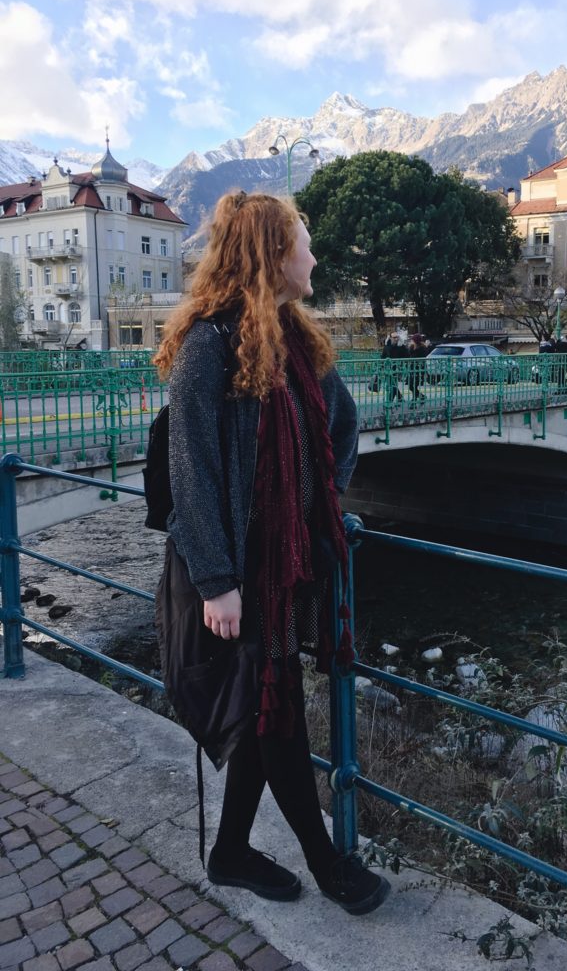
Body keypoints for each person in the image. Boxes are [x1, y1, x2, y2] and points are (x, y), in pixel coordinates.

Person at [153, 191, 389, 916]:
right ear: (273, 256)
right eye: (305, 245)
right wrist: (218, 581)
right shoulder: (210, 345)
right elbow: (188, 469)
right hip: (233, 571)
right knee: (275, 710)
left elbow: (341, 426)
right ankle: (330, 868)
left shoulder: (295, 341)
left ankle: (230, 851)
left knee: (268, 707)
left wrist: (321, 500)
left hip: (282, 568)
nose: (315, 258)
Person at [407, 333, 428, 403]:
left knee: (414, 385)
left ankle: (414, 399)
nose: (411, 341)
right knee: (411, 385)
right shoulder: (411, 347)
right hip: (412, 369)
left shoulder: (422, 348)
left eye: (412, 340)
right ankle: (421, 396)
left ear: (415, 341)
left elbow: (421, 358)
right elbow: (408, 355)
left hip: (419, 369)